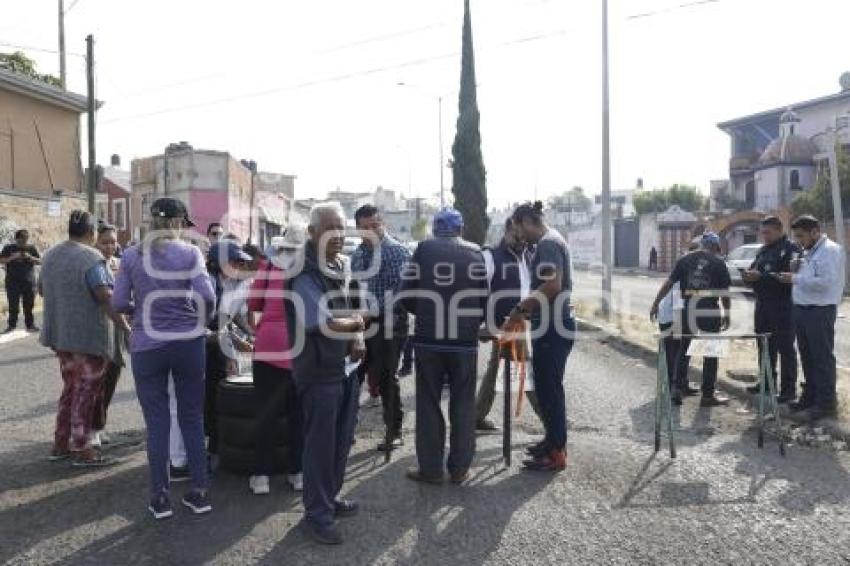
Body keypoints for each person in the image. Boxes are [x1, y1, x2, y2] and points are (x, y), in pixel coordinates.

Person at [112, 197, 216, 519]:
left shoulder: (130, 255)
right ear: (177, 223)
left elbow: (117, 302)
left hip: (148, 344)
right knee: (191, 418)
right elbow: (208, 297)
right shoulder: (190, 253)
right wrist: (200, 322)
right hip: (187, 343)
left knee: (157, 424)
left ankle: (160, 499)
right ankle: (198, 494)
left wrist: (140, 308)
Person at [288, 203, 364, 545]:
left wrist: (358, 335)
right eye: (331, 227)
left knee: (342, 439)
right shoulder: (303, 271)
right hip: (318, 370)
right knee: (320, 445)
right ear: (313, 232)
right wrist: (358, 326)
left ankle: (328, 498)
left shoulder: (339, 265)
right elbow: (323, 322)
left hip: (344, 367)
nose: (339, 234)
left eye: (342, 227)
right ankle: (316, 514)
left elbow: (349, 306)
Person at [400, 208, 487, 485]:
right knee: (463, 403)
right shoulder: (476, 252)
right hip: (464, 342)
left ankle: (431, 470)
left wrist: (425, 313)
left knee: (427, 403)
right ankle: (460, 469)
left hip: (429, 340)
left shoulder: (423, 250)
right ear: (460, 229)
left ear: (436, 229)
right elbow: (485, 297)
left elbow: (406, 294)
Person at [39, 211, 124, 466]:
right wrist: (125, 327)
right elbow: (104, 297)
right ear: (92, 234)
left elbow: (42, 289)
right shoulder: (92, 258)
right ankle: (82, 449)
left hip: (60, 336)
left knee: (70, 389)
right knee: (86, 393)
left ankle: (60, 444)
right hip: (88, 338)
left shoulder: (50, 255)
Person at [504, 202, 575, 472]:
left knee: (550, 390)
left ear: (526, 222)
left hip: (552, 326)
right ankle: (552, 441)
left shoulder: (547, 243)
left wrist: (521, 310)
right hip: (552, 325)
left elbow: (552, 285)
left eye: (520, 230)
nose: (521, 237)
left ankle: (557, 452)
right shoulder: (552, 240)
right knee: (547, 389)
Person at [246, 225, 306, 495]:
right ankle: (298, 474)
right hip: (300, 346)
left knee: (266, 413)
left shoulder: (269, 267)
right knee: (298, 415)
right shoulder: (311, 269)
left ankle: (261, 477)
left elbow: (254, 303)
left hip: (269, 344)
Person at [351, 204, 411, 452]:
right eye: (365, 228)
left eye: (375, 225)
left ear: (382, 223)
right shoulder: (357, 255)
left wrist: (367, 314)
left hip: (390, 323)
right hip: (361, 322)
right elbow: (354, 289)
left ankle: (394, 431)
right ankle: (347, 428)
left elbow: (399, 294)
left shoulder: (397, 252)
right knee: (353, 375)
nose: (371, 231)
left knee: (387, 377)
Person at [776, 215, 846, 421]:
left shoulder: (830, 251)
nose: (798, 240)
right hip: (802, 308)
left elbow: (826, 281)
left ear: (815, 232)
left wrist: (795, 278)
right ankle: (810, 397)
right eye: (796, 236)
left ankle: (826, 405)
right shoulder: (809, 250)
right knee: (807, 357)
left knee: (821, 358)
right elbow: (810, 276)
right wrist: (797, 268)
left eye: (801, 236)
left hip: (819, 310)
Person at [651, 232, 732, 407]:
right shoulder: (719, 263)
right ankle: (707, 395)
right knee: (710, 353)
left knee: (684, 349)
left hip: (688, 310)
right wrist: (727, 313)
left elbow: (668, 283)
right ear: (716, 247)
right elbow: (724, 293)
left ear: (702, 244)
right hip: (709, 311)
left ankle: (677, 389)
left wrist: (656, 303)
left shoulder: (685, 260)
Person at [476, 218, 543, 431]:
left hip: (526, 322)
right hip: (506, 325)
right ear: (505, 232)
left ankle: (475, 416)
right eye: (516, 235)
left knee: (497, 368)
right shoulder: (490, 256)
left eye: (522, 236)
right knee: (524, 368)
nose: (521, 240)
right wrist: (482, 325)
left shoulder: (530, 256)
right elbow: (478, 292)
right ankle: (550, 418)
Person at [741, 216, 799, 403]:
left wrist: (762, 277)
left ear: (779, 230)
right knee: (764, 345)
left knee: (785, 348)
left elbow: (790, 277)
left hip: (783, 305)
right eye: (762, 232)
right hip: (763, 304)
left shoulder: (790, 250)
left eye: (768, 232)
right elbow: (752, 271)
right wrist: (748, 277)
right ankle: (766, 382)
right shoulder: (763, 251)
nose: (764, 236)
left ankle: (788, 390)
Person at [90, 224, 128, 447]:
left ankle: (100, 425)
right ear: (95, 242)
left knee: (112, 378)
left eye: (113, 242)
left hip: (118, 330)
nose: (110, 246)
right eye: (105, 242)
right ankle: (92, 429)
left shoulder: (119, 264)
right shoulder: (92, 265)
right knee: (97, 382)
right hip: (99, 330)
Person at [1, 229, 41, 333]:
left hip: (28, 281)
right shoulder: (8, 248)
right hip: (12, 282)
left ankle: (30, 325)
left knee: (28, 305)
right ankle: (11, 325)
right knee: (13, 305)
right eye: (21, 241)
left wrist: (30, 257)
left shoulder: (31, 248)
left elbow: (39, 261)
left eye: (25, 240)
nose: (23, 243)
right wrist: (13, 257)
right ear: (16, 239)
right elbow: (1, 260)